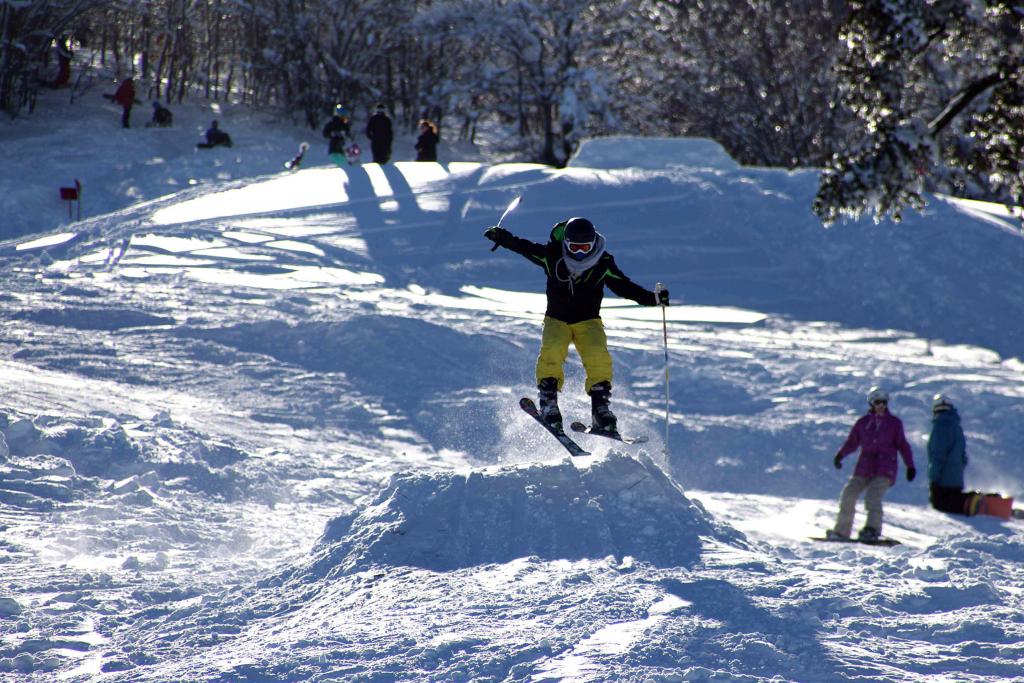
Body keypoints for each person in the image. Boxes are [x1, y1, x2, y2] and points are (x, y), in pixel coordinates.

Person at [484, 217, 669, 433]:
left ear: (594, 244)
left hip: (588, 320)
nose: (580, 253)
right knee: (552, 351)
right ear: (566, 244)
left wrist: (652, 299)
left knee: (598, 356)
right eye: (575, 247)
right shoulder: (552, 255)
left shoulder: (603, 261)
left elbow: (624, 286)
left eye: (585, 247)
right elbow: (523, 247)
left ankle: (600, 409)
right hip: (557, 319)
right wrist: (502, 237)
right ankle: (549, 404)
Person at [827, 387, 916, 541]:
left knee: (873, 496)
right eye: (877, 402)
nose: (881, 405)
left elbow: (903, 445)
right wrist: (840, 455)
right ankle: (841, 531)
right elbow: (852, 442)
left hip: (885, 467)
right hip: (864, 467)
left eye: (883, 402)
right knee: (849, 494)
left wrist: (910, 466)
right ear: (871, 404)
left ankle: (872, 529)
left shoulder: (894, 423)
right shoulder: (863, 423)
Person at [927, 393, 1018, 518]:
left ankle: (978, 501)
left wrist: (934, 477)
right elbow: (962, 455)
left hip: (943, 476)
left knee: (941, 503)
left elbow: (937, 454)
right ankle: (986, 502)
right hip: (956, 475)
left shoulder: (940, 426)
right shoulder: (956, 426)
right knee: (952, 500)